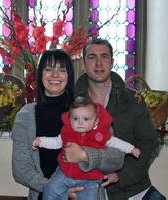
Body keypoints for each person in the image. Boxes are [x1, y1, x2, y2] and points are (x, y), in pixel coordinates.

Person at [11, 49, 125, 200]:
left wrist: (86, 156)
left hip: (86, 193)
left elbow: (116, 157)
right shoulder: (26, 116)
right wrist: (57, 189)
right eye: (49, 69)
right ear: (40, 75)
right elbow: (20, 168)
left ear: (69, 76)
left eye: (62, 70)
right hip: (44, 195)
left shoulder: (88, 110)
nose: (55, 75)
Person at [71, 38, 162, 199]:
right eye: (92, 57)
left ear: (112, 62)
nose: (99, 63)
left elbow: (149, 144)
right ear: (83, 64)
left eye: (104, 57)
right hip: (86, 188)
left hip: (132, 189)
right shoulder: (70, 103)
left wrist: (121, 174)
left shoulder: (133, 100)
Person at [32, 97, 141, 200]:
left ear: (96, 121)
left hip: (90, 178)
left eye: (86, 119)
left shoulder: (100, 134)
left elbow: (116, 143)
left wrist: (131, 149)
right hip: (65, 174)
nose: (80, 122)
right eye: (75, 118)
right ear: (69, 118)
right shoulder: (67, 132)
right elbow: (56, 142)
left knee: (89, 197)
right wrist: (40, 141)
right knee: (50, 189)